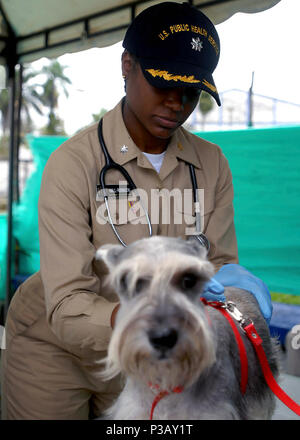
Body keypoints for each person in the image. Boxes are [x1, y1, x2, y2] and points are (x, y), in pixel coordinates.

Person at [1, 2, 272, 420]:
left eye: (191, 91)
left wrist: (232, 297)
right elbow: (68, 303)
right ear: (127, 65)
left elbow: (215, 269)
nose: (176, 103)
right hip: (58, 351)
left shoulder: (211, 164)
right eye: (164, 82)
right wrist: (146, 321)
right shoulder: (74, 164)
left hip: (159, 353)